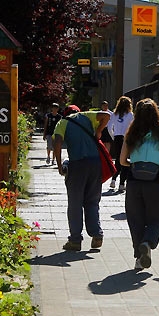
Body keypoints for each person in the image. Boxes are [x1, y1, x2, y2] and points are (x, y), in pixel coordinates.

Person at [119, 99, 159, 271]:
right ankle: (148, 242)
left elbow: (121, 161)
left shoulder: (131, 134)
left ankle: (139, 258)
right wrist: (156, 166)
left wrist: (134, 163)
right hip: (154, 182)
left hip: (134, 182)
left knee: (135, 220)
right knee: (156, 218)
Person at [53, 105, 111, 251]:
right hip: (95, 164)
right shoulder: (87, 116)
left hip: (77, 165)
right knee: (92, 201)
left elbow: (58, 143)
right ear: (78, 111)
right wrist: (98, 131)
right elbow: (106, 115)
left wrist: (60, 166)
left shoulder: (62, 123)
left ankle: (75, 240)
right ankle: (97, 234)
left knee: (75, 203)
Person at [108, 96, 134, 192]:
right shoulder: (130, 115)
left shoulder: (114, 114)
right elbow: (133, 127)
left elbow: (109, 127)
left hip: (117, 137)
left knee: (118, 160)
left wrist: (113, 136)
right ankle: (122, 183)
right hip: (126, 138)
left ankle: (114, 179)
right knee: (125, 161)